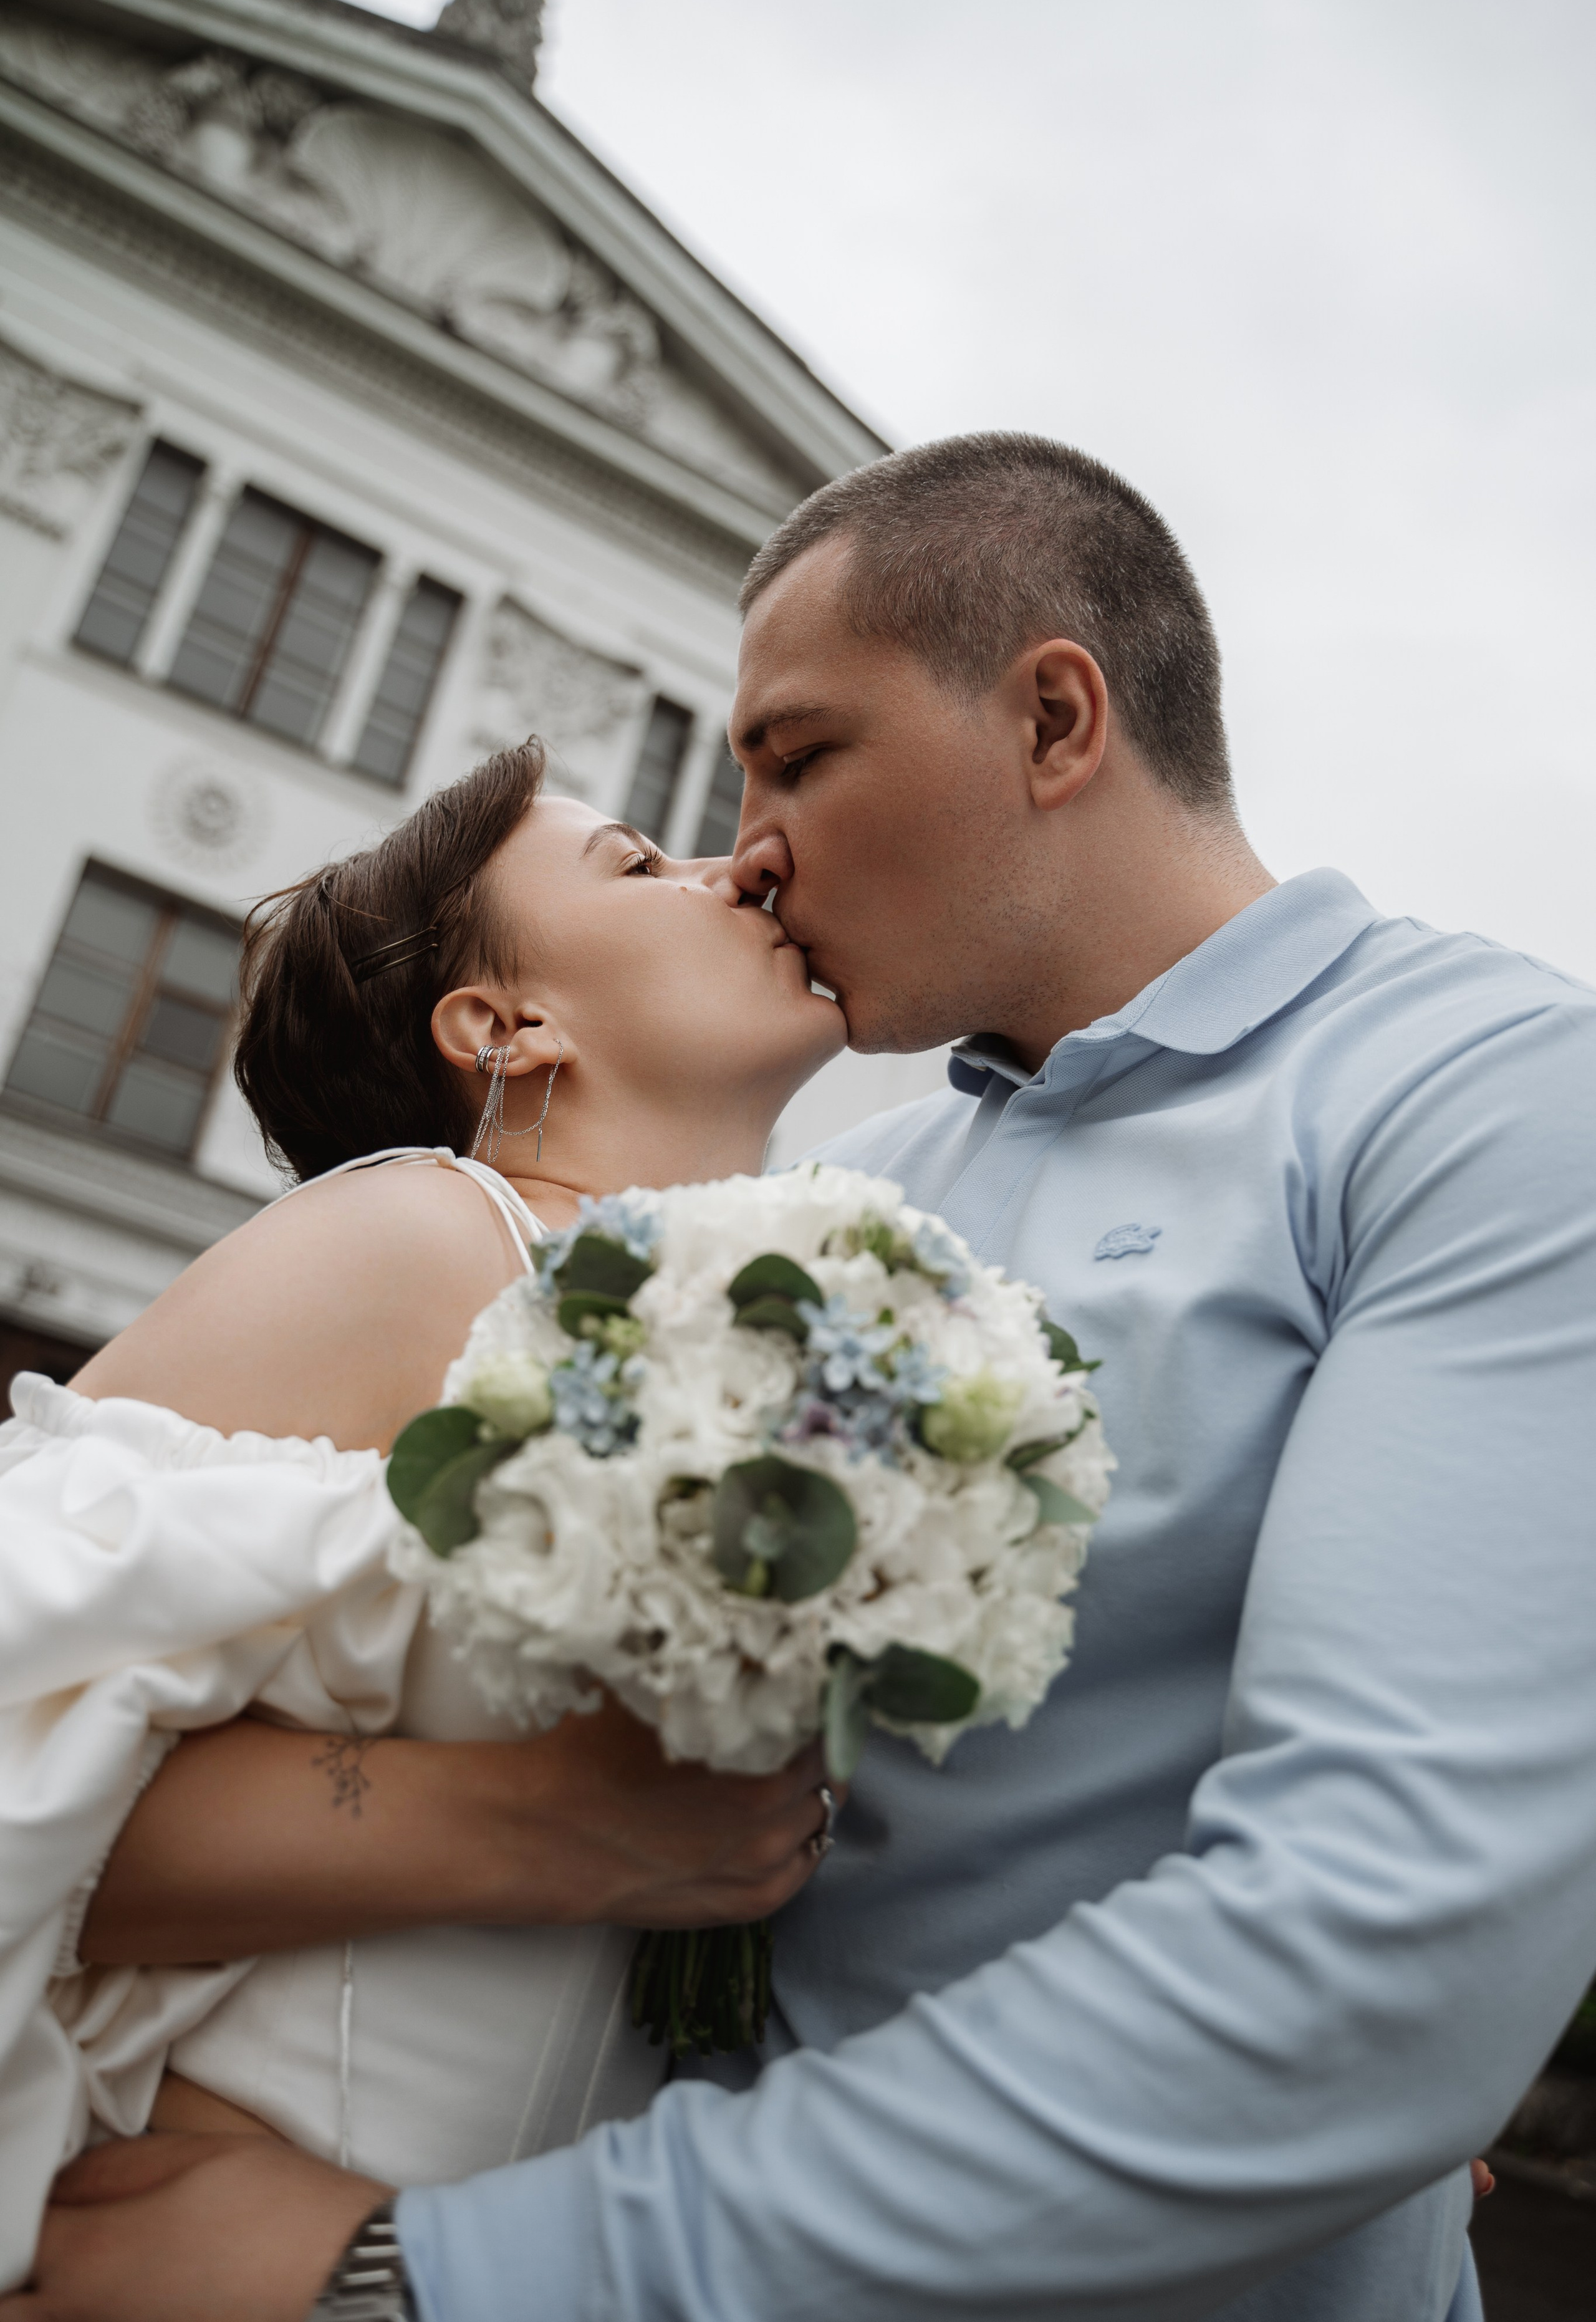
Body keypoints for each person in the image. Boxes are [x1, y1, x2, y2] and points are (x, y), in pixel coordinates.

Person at [9, 434, 1596, 2322]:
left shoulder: (1481, 1099)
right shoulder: (832, 1208)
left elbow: (1380, 1952)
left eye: (798, 755)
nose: (748, 846)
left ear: (1058, 720)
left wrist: (422, 2274)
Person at [0, 742, 844, 2280]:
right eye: (640, 864)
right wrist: (562, 1828)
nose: (737, 870)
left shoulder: (802, 1332)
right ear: (505, 1024)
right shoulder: (418, 1238)